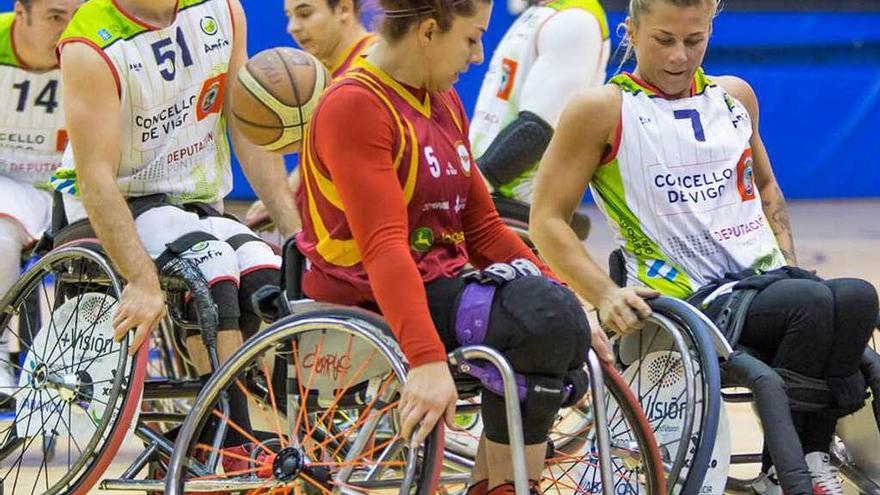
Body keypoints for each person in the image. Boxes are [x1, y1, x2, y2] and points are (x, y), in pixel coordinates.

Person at [529, 1, 879, 494]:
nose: (679, 55)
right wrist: (604, 294)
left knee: (859, 297)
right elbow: (545, 220)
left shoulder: (734, 96)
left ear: (711, 30)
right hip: (691, 300)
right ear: (631, 31)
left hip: (766, 285)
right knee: (813, 304)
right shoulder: (602, 109)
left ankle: (805, 457)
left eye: (694, 41)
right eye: (664, 40)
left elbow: (766, 187)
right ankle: (791, 464)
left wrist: (789, 263)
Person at [295, 0, 611, 491]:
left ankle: (497, 484)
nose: (479, 55)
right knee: (539, 322)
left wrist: (569, 299)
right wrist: (423, 359)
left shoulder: (441, 101)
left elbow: (483, 229)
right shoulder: (355, 105)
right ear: (427, 32)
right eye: (471, 38)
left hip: (436, 284)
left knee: (554, 313)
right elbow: (384, 247)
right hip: (366, 294)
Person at [54, 0, 299, 470]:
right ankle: (228, 432)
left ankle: (245, 429)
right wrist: (141, 280)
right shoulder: (89, 46)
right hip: (113, 204)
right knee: (210, 264)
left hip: (193, 203)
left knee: (263, 267)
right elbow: (95, 179)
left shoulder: (223, 11)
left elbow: (246, 129)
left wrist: (294, 233)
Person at [0, 0, 80, 397]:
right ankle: (1, 354)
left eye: (74, 16)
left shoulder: (92, 49)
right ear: (21, 11)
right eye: (54, 16)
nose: (66, 30)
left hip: (69, 188)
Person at [243, 0, 379, 230]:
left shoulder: (372, 65)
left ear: (344, 9)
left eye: (304, 14)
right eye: (289, 16)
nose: (292, 27)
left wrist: (289, 193)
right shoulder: (323, 73)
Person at [469, 0, 609, 205]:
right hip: (488, 192)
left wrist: (470, 190)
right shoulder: (542, 12)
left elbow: (536, 131)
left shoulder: (576, 19)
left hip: (510, 202)